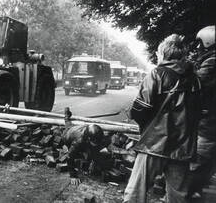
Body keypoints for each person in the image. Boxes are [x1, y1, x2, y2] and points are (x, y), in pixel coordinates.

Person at [123, 34, 201, 203]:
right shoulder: (194, 80)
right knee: (178, 196)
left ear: (164, 54)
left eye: (158, 53)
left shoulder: (156, 75)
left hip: (154, 144)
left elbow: (141, 110)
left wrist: (137, 119)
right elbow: (197, 113)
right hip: (183, 147)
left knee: (136, 193)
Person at [188, 25, 216, 198]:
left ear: (208, 42)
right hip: (210, 123)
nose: (197, 48)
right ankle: (196, 192)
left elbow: (196, 85)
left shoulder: (212, 62)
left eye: (200, 44)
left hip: (209, 125)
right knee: (206, 168)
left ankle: (186, 195)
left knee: (195, 165)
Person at [63, 108, 109, 185]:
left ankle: (67, 115)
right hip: (68, 134)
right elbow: (69, 157)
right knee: (67, 124)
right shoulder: (78, 142)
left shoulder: (97, 135)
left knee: (93, 150)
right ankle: (66, 115)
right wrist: (73, 175)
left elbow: (99, 145)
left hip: (78, 129)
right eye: (95, 142)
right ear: (88, 139)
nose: (97, 144)